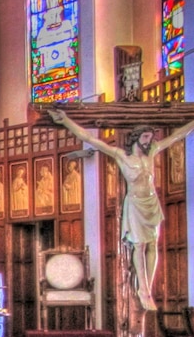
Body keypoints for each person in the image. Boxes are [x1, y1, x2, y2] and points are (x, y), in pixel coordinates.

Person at [49, 108, 194, 311]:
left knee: (153, 245)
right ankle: (143, 290)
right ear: (135, 137)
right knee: (140, 245)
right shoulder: (120, 155)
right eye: (145, 136)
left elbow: (177, 135)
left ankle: (147, 288)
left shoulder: (152, 151)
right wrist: (65, 121)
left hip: (151, 203)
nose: (148, 141)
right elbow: (89, 137)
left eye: (150, 137)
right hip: (135, 204)